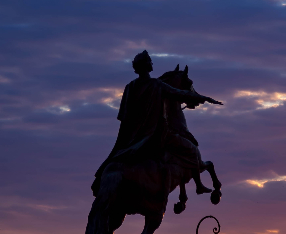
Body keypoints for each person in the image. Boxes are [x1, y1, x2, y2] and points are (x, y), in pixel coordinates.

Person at [91, 50, 221, 195]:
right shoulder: (156, 85)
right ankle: (199, 185)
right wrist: (204, 98)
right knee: (192, 150)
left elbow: (124, 117)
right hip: (156, 136)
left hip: (132, 139)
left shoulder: (129, 88)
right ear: (147, 66)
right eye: (150, 61)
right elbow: (179, 93)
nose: (152, 63)